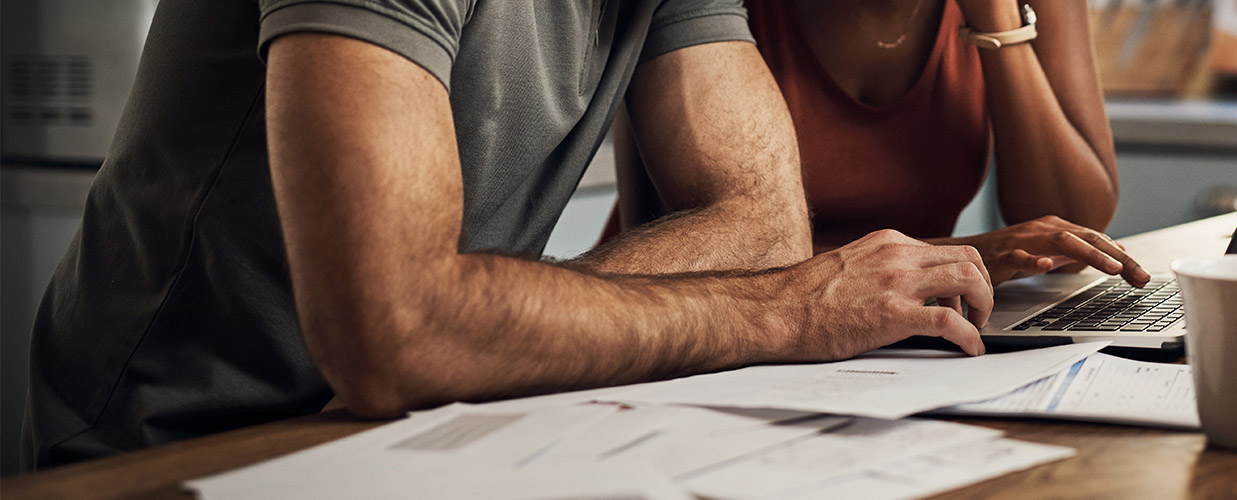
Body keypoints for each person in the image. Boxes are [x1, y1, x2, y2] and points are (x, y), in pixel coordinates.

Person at [21, 0, 1041, 469]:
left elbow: (762, 224)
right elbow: (398, 330)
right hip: (173, 450)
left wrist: (491, 330)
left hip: (405, 434)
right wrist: (788, 311)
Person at [608, 0, 1149, 286]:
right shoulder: (708, 7)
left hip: (894, 340)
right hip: (707, 334)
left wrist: (998, 20)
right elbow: (689, 261)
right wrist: (954, 258)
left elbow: (1074, 228)